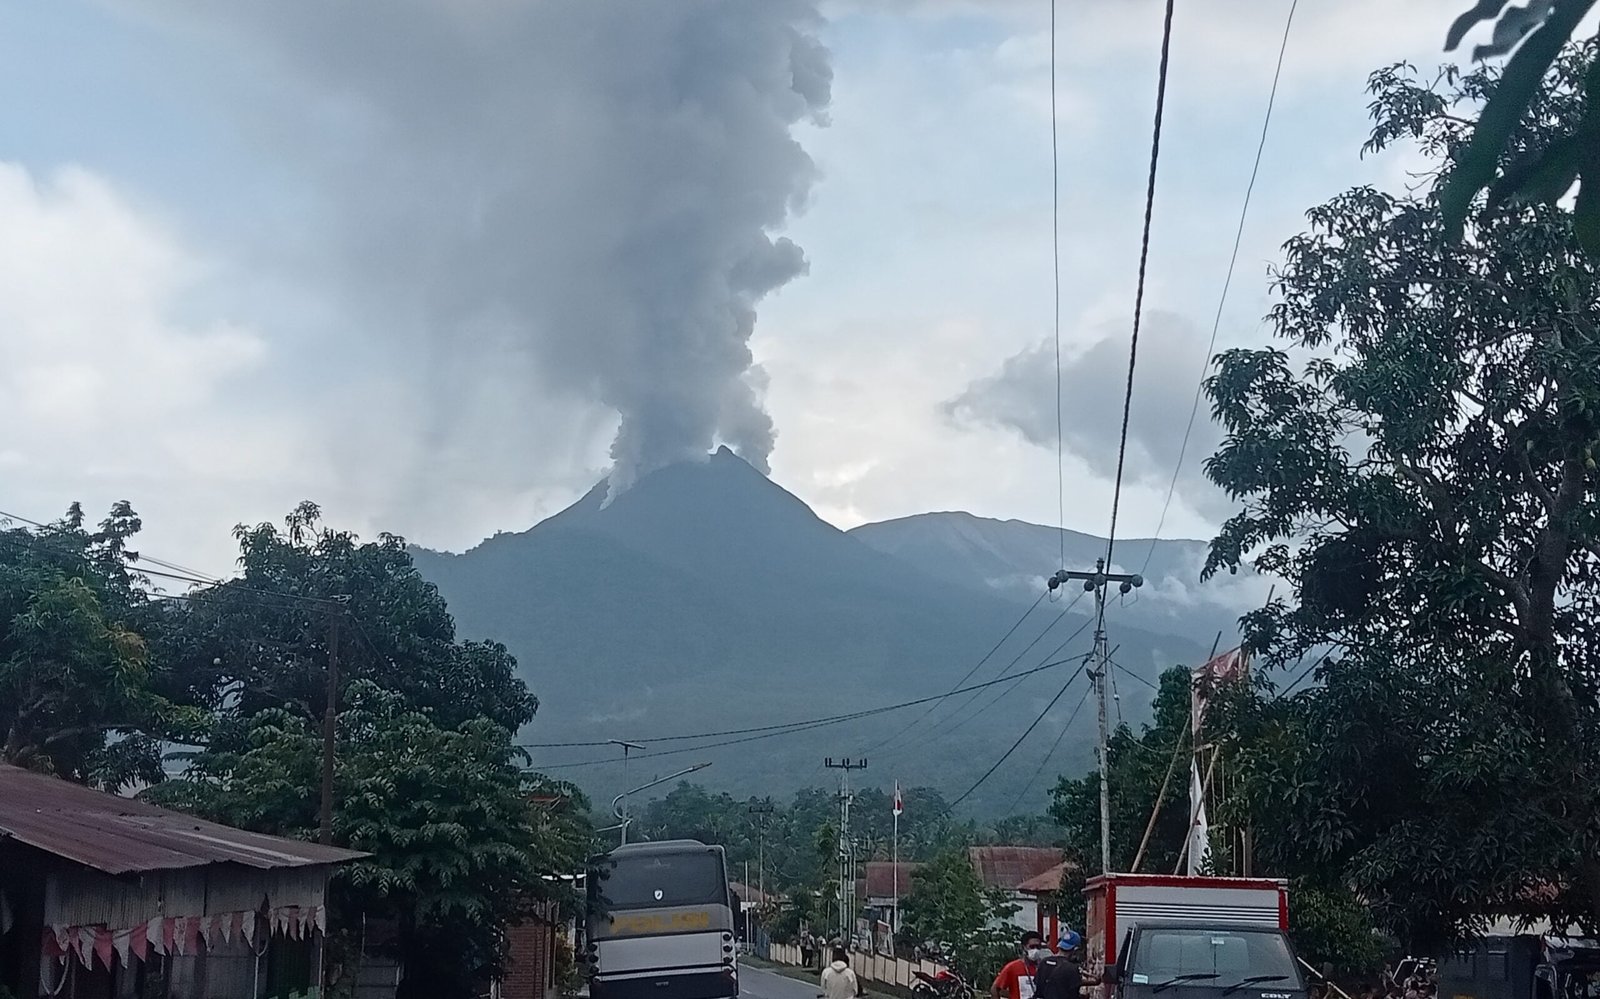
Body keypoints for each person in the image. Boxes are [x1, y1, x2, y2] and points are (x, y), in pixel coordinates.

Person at [1036, 930, 1095, 999]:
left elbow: (1038, 988)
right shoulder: (1072, 968)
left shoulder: (1043, 962)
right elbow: (1073, 993)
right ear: (1075, 949)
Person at [993, 931, 1049, 999]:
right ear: (1024, 947)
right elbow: (995, 988)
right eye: (1032, 947)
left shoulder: (1045, 967)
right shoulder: (1012, 967)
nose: (1035, 950)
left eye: (1038, 947)